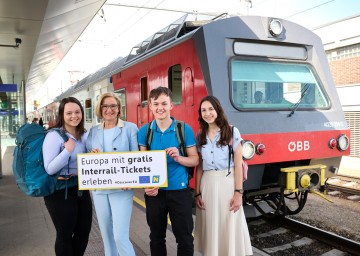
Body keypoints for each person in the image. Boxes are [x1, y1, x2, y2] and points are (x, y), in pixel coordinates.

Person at [138, 86, 199, 256]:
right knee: (156, 238)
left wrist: (179, 158)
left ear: (172, 105)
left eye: (164, 103)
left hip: (179, 191)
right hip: (154, 193)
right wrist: (146, 186)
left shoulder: (183, 129)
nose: (160, 108)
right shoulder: (144, 132)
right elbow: (143, 165)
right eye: (156, 103)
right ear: (150, 106)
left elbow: (195, 159)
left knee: (185, 238)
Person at [194, 95, 253, 256]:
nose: (207, 113)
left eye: (210, 109)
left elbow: (238, 166)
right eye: (203, 110)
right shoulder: (200, 135)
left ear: (218, 110)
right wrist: (197, 192)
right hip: (208, 185)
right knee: (210, 224)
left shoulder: (232, 131)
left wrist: (238, 193)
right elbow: (199, 167)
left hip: (227, 184)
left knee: (228, 224)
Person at [86, 92, 138, 256]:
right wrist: (92, 155)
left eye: (113, 106)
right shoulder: (93, 131)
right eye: (105, 106)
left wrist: (132, 180)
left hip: (122, 189)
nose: (109, 109)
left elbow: (137, 157)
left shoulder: (130, 128)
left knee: (119, 236)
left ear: (119, 108)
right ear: (100, 109)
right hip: (100, 191)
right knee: (107, 237)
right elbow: (88, 158)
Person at [42, 97, 92, 256]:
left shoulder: (84, 135)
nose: (74, 116)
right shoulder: (54, 136)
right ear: (62, 115)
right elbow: (50, 169)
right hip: (59, 192)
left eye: (77, 112)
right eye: (69, 113)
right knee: (65, 235)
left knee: (83, 232)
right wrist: (67, 151)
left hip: (80, 189)